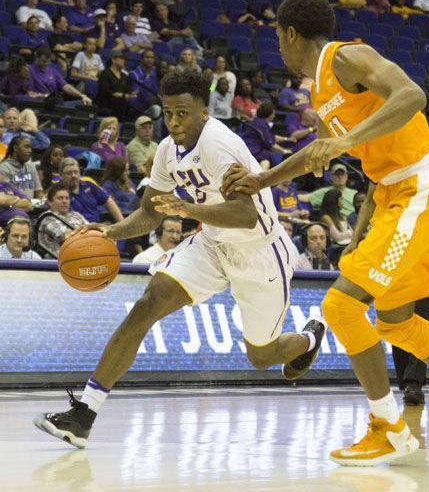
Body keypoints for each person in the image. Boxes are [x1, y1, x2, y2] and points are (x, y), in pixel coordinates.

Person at [221, 0, 429, 465]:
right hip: (396, 195)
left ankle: (388, 427)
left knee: (341, 307)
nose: (279, 47)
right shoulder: (318, 89)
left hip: (422, 186)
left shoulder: (347, 56)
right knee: (395, 324)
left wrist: (347, 140)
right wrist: (264, 179)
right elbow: (322, 147)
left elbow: (412, 95)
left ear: (290, 34)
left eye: (278, 37)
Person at [34, 70, 324, 449]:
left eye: (182, 113)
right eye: (168, 113)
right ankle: (84, 415)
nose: (173, 122)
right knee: (147, 304)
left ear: (204, 111)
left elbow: (244, 214)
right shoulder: (168, 150)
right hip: (211, 243)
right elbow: (151, 212)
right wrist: (109, 231)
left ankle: (308, 338)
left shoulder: (220, 145)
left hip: (259, 252)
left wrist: (188, 209)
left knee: (261, 356)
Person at [59, 157, 123, 223]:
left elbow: (108, 200)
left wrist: (122, 223)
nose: (73, 176)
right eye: (69, 173)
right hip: (78, 229)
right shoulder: (58, 192)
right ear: (61, 175)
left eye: (76, 172)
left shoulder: (88, 184)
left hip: (97, 227)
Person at [37, 182, 88, 258]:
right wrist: (86, 233)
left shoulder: (76, 215)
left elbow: (91, 229)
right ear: (50, 202)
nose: (64, 201)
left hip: (80, 254)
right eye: (60, 198)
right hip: (57, 262)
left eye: (67, 198)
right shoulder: (47, 217)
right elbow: (67, 237)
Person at [238, 101, 293, 170]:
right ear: (269, 114)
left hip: (248, 149)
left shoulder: (257, 121)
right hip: (254, 151)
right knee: (266, 162)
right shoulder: (262, 124)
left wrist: (287, 139)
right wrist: (286, 151)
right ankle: (259, 179)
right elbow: (271, 145)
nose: (275, 114)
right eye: (273, 112)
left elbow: (272, 136)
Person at [97, 50, 137, 119]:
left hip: (122, 102)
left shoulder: (124, 76)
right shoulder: (105, 73)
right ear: (113, 60)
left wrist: (134, 93)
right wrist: (122, 95)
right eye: (121, 58)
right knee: (121, 102)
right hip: (108, 102)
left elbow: (128, 90)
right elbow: (105, 91)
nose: (124, 60)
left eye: (124, 59)